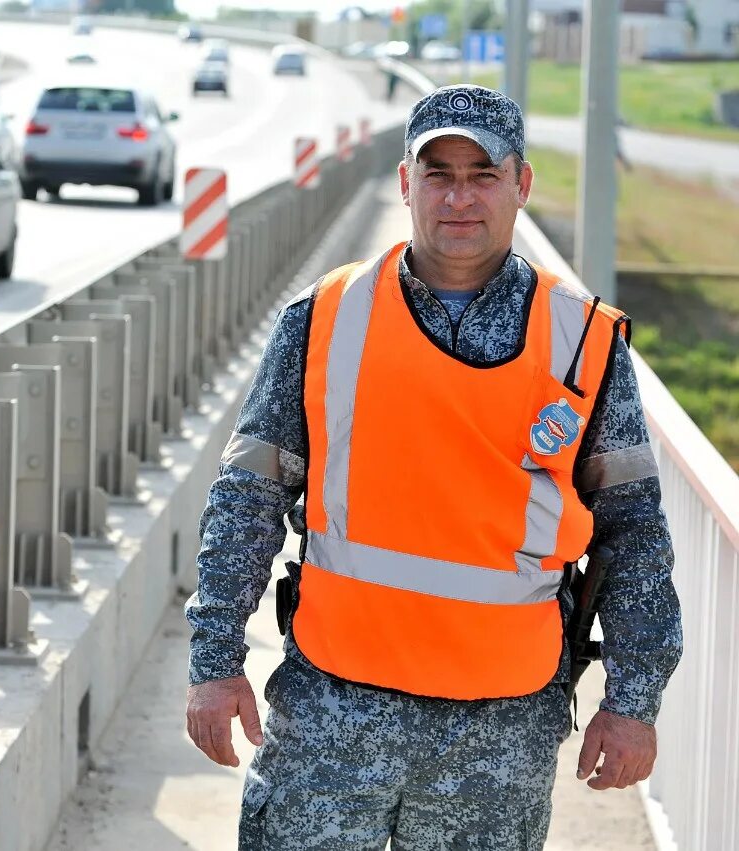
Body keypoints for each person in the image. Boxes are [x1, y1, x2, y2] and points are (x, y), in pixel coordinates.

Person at [184, 84, 683, 850]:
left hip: (499, 737)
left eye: (483, 174)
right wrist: (215, 662)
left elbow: (635, 538)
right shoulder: (323, 316)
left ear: (521, 186)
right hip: (331, 714)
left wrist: (634, 700)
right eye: (439, 173)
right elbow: (247, 498)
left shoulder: (583, 342)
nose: (459, 197)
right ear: (405, 184)